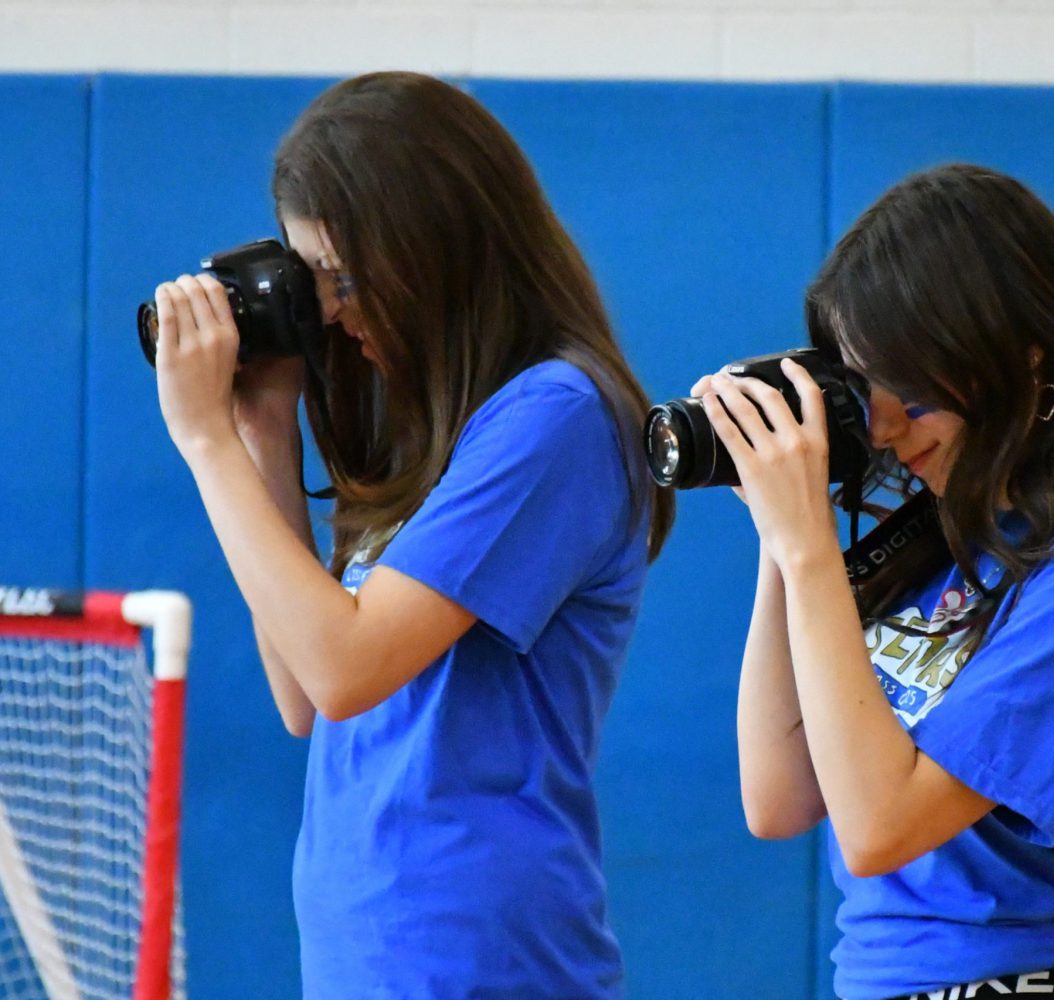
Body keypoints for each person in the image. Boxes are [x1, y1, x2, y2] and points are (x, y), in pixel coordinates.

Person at [150, 71, 673, 998]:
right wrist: (264, 428)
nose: (337, 315)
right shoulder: (443, 428)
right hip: (374, 955)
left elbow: (347, 669)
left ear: (439, 251)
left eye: (346, 280)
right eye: (316, 285)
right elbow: (305, 694)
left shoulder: (556, 415)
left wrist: (203, 444)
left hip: (477, 961)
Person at [693, 163, 1054, 1000]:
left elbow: (877, 828)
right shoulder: (956, 533)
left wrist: (810, 550)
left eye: (915, 385)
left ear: (1022, 351)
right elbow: (777, 798)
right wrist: (778, 530)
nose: (890, 426)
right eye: (869, 387)